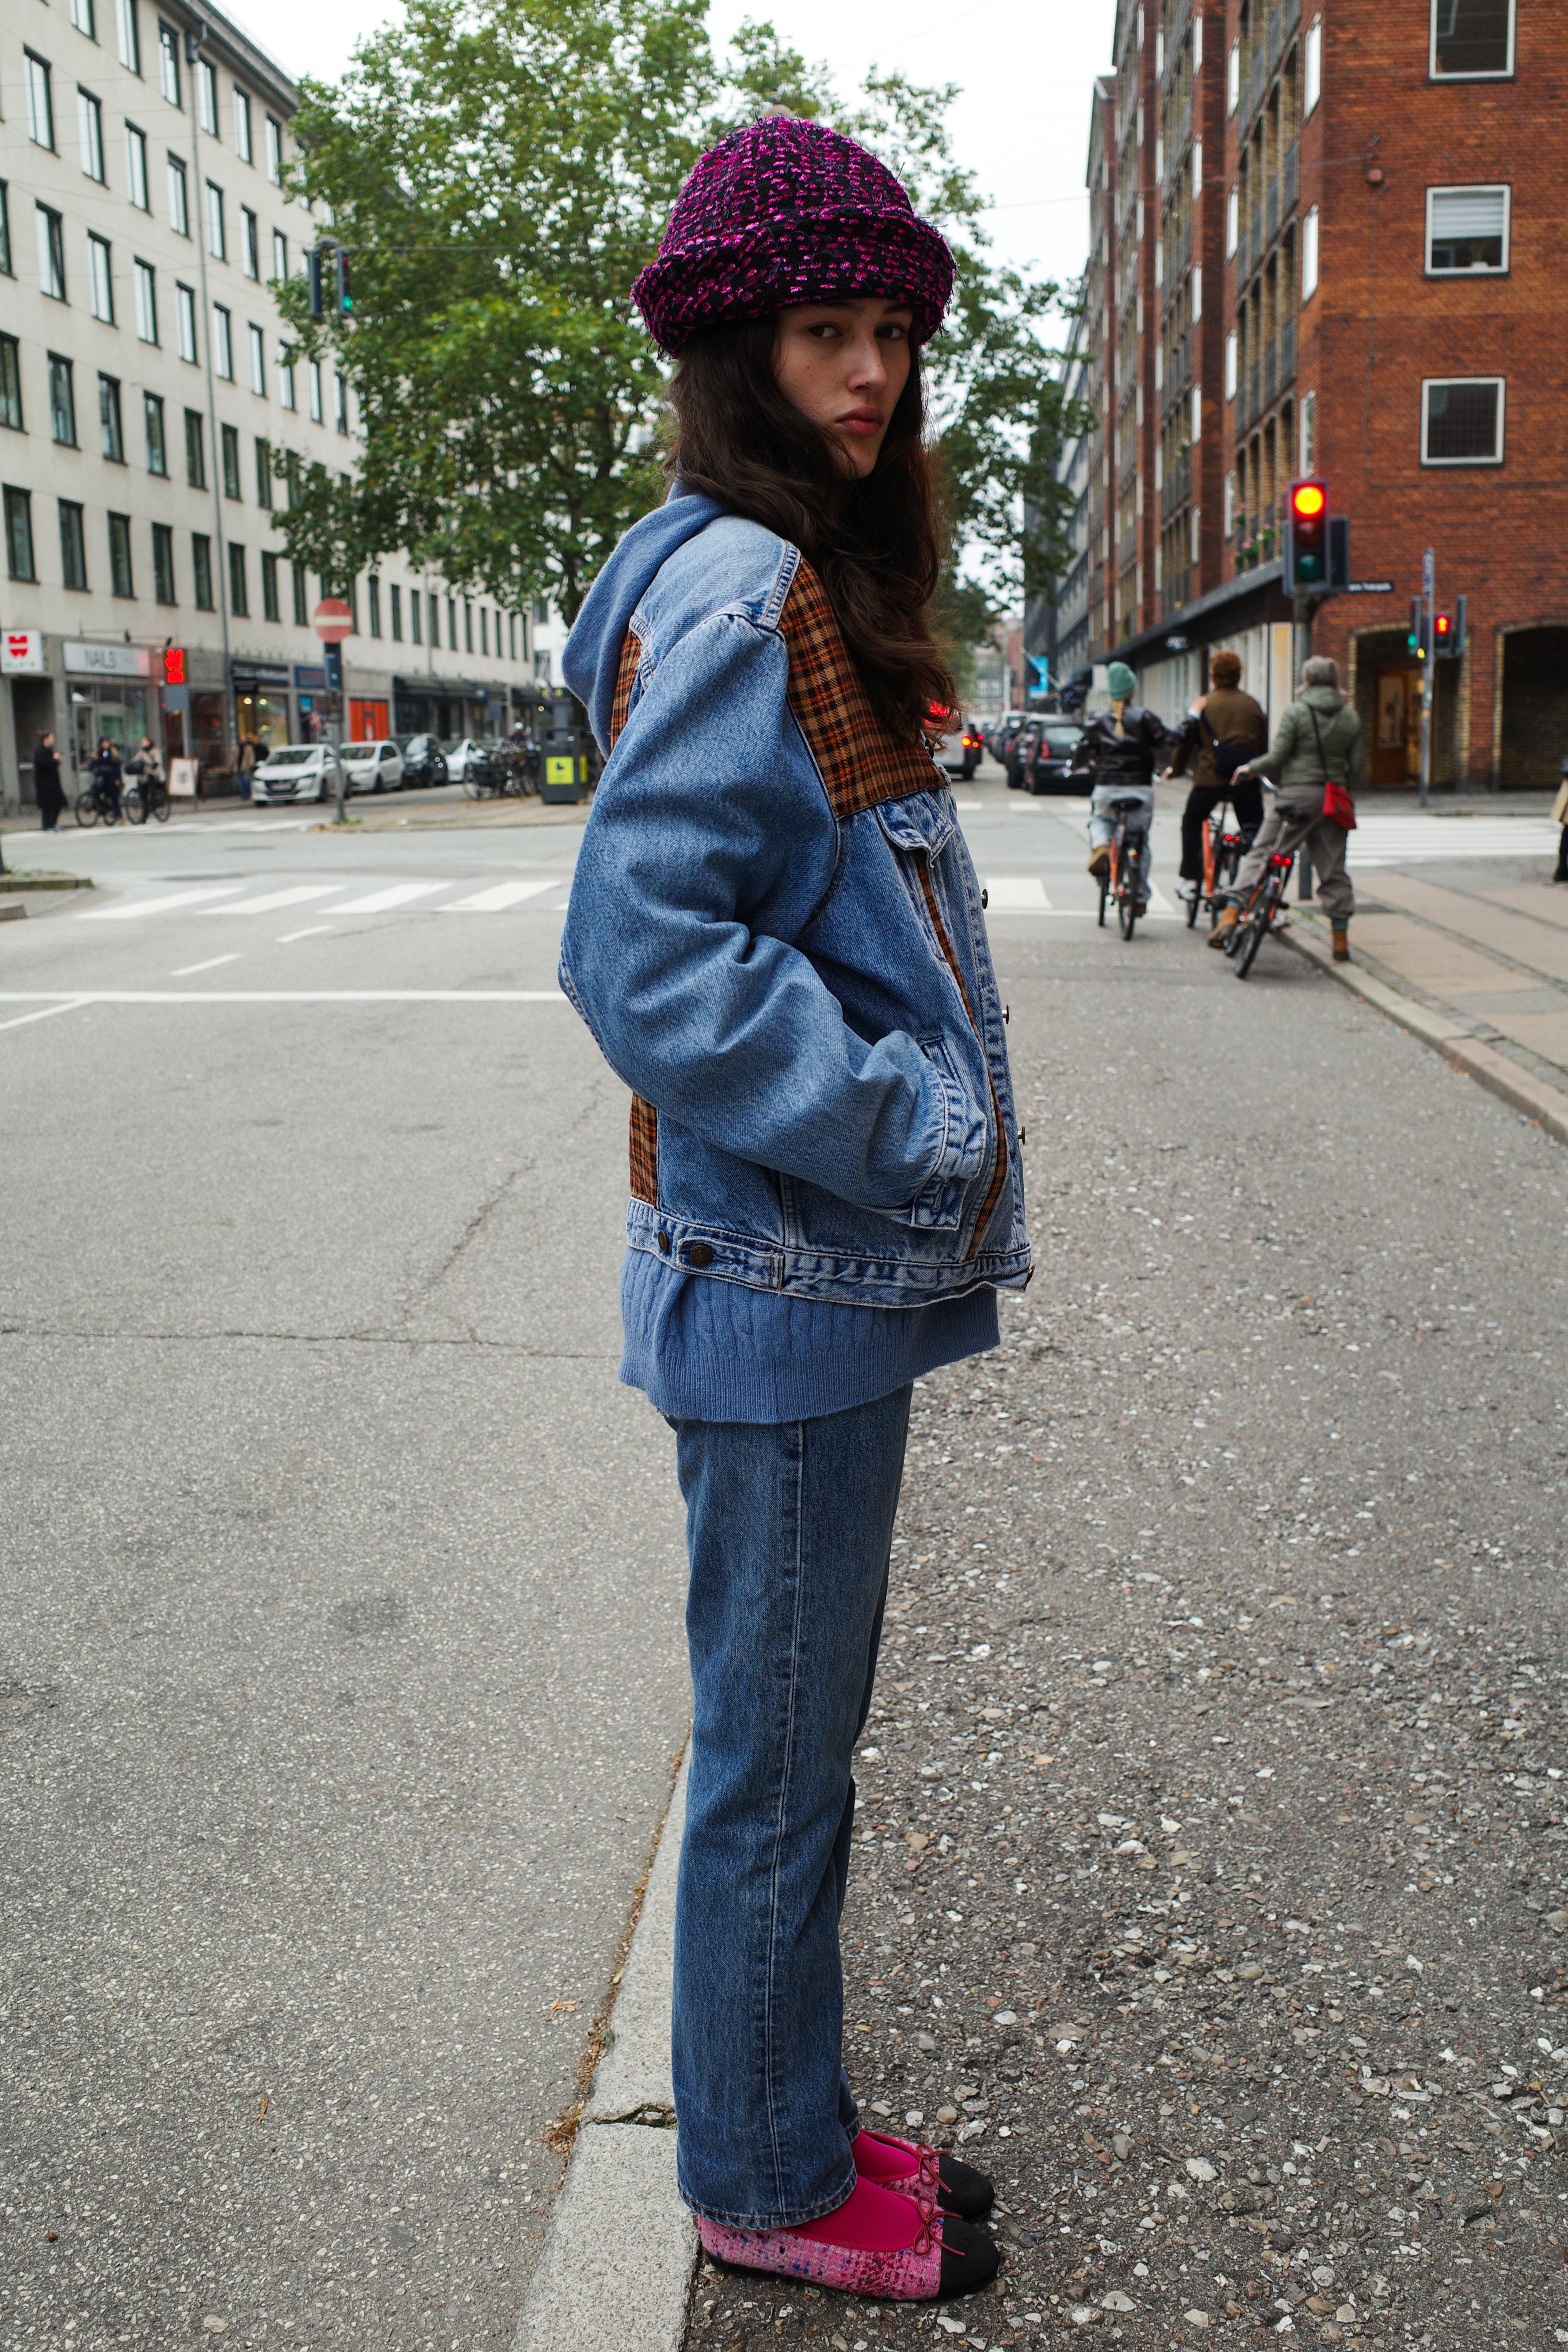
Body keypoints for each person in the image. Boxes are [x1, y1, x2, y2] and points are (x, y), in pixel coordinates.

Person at [559, 116, 1029, 2308]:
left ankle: (781, 2104)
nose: (869, 376)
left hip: (781, 1274)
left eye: (889, 336)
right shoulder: (749, 583)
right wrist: (906, 1114)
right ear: (741, 350)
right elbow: (645, 951)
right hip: (789, 1277)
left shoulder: (752, 567)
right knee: (771, 1769)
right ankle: (758, 2171)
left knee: (785, 1748)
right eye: (826, 332)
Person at [1211, 654, 1366, 961]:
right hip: (1332, 800)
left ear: (1306, 679)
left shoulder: (1297, 712)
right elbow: (1359, 764)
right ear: (1335, 680)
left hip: (1296, 795)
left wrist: (1250, 768)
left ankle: (1231, 915)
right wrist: (1340, 784)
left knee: (1263, 851)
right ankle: (1339, 940)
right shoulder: (1350, 716)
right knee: (1333, 869)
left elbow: (1278, 756)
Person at [1072, 660, 1176, 904]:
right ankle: (1139, 896)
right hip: (1140, 789)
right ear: (1131, 690)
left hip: (1107, 788)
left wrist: (1077, 765)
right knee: (1140, 840)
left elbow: (1084, 750)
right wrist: (1192, 719)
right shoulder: (1144, 717)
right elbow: (1168, 739)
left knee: (1100, 820)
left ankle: (1101, 847)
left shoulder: (1097, 720)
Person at [1167, 649, 1267, 900]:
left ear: (1213, 676)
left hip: (1209, 781)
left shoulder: (1203, 704)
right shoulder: (1252, 706)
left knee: (1191, 823)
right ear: (1239, 675)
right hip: (1244, 780)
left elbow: (1186, 743)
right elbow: (1263, 745)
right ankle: (1255, 886)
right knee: (1254, 831)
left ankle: (1191, 880)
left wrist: (1176, 770)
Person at [33, 731, 66, 831]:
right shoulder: (40, 750)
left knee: (58, 803)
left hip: (53, 782)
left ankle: (53, 823)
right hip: (45, 783)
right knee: (47, 806)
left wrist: (57, 760)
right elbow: (43, 764)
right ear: (46, 739)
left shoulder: (49, 750)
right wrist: (54, 760)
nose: (52, 740)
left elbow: (53, 764)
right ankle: (48, 825)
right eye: (51, 738)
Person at [91, 736, 123, 822]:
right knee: (95, 791)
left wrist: (118, 779)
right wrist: (91, 767)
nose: (105, 745)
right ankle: (102, 808)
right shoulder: (99, 753)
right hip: (102, 778)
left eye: (107, 743)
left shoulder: (113, 754)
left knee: (114, 797)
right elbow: (94, 763)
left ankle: (119, 816)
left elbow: (117, 768)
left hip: (111, 778)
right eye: (103, 743)